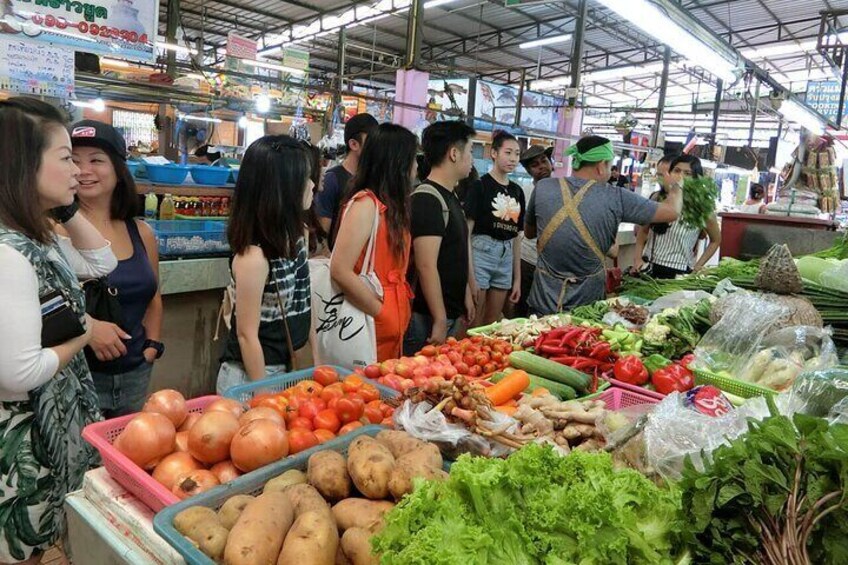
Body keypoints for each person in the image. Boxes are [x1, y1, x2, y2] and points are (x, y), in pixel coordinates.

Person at [0, 98, 116, 564]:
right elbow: (19, 372)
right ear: (24, 164)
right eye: (66, 157)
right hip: (25, 447)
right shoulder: (8, 256)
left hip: (49, 432)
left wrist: (65, 209)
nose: (79, 172)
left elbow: (100, 261)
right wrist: (83, 334)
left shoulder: (33, 238)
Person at [64, 120, 164, 418]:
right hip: (78, 377)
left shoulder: (141, 232)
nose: (83, 170)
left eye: (96, 160)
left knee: (128, 453)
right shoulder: (54, 229)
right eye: (73, 160)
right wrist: (89, 329)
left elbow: (154, 295)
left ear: (119, 171)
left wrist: (152, 347)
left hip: (135, 373)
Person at [525, 135, 682, 314]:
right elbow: (672, 212)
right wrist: (675, 185)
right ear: (601, 167)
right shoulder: (617, 197)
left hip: (542, 300)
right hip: (585, 309)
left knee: (531, 338)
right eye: (609, 165)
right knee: (579, 341)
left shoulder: (543, 187)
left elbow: (530, 233)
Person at [217, 135, 313, 395]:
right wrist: (264, 397)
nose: (313, 185)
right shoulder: (253, 257)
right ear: (283, 189)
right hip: (253, 376)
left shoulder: (295, 237)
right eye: (304, 179)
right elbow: (246, 336)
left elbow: (303, 304)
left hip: (286, 368)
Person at [331, 124, 417, 361]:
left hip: (391, 318)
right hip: (369, 320)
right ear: (396, 163)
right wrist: (380, 311)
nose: (416, 167)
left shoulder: (391, 207)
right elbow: (339, 269)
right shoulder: (365, 205)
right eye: (412, 159)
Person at [404, 121, 477, 355]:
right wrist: (439, 317)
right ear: (454, 154)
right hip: (427, 317)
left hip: (448, 311)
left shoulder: (451, 196)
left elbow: (455, 253)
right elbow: (426, 265)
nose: (472, 159)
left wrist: (465, 292)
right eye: (471, 151)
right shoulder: (427, 199)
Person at [465, 131, 525, 326]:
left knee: (492, 322)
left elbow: (516, 237)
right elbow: (467, 233)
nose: (513, 159)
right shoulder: (479, 186)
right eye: (508, 153)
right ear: (494, 153)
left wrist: (517, 279)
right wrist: (470, 278)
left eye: (517, 154)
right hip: (481, 252)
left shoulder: (518, 191)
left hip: (506, 256)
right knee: (473, 319)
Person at [635, 154, 721, 278]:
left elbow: (716, 240)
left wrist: (698, 267)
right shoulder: (657, 198)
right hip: (649, 268)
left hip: (679, 274)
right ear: (670, 173)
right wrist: (637, 259)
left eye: (688, 173)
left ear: (696, 178)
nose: (681, 176)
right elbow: (643, 231)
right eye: (677, 171)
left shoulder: (702, 207)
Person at [315, 113, 378, 248]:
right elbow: (322, 235)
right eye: (371, 142)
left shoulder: (374, 180)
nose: (376, 149)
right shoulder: (332, 179)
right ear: (354, 144)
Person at [510, 145, 553, 318]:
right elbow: (519, 230)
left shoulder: (563, 190)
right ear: (529, 171)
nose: (542, 166)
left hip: (551, 264)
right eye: (535, 165)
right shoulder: (524, 193)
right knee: (523, 310)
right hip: (527, 260)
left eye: (544, 161)